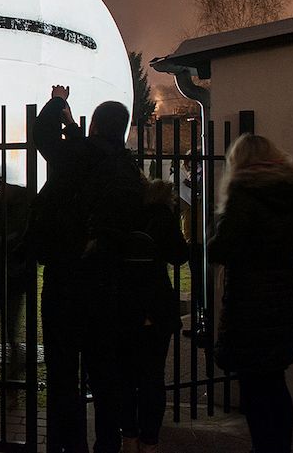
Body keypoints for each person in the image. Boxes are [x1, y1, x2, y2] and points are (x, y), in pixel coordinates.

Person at [29, 85, 145, 453]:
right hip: (107, 280)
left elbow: (42, 135)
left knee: (64, 371)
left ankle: (70, 443)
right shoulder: (127, 168)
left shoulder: (77, 156)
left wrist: (58, 102)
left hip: (66, 275)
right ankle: (108, 443)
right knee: (105, 369)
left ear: (94, 125)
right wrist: (72, 125)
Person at [208, 134, 293, 453]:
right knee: (275, 383)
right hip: (283, 300)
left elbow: (222, 248)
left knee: (253, 388)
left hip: (250, 305)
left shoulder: (243, 192)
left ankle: (264, 447)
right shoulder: (290, 192)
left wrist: (214, 232)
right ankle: (280, 447)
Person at [117, 179, 188, 453]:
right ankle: (149, 440)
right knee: (152, 377)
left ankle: (129, 436)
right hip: (156, 304)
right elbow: (179, 255)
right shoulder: (162, 216)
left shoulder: (122, 215)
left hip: (125, 305)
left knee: (125, 376)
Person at [0, 174, 31, 377]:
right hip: (16, 271)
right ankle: (14, 350)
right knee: (11, 313)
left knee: (7, 314)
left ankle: (14, 349)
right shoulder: (22, 207)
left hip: (1, 270)